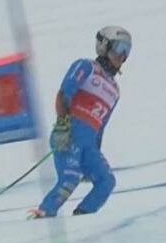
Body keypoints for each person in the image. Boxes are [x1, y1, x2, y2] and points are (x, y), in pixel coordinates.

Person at [29, 26, 131, 218]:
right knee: (69, 179)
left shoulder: (115, 90)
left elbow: (101, 125)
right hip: (69, 135)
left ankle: (82, 220)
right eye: (119, 48)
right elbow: (63, 94)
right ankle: (43, 214)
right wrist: (62, 126)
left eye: (127, 52)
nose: (122, 56)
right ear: (104, 46)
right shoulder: (86, 67)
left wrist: (96, 151)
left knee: (106, 181)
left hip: (89, 146)